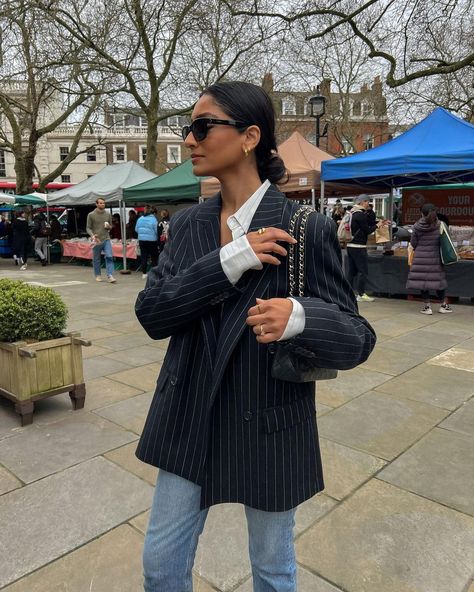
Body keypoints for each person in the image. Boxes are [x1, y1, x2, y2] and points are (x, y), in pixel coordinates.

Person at [134, 80, 376, 592]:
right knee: (161, 564)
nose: (189, 140)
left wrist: (302, 316)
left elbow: (358, 335)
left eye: (203, 127)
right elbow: (152, 314)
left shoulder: (303, 225)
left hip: (267, 420)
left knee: (272, 568)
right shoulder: (191, 224)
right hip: (187, 418)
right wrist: (228, 261)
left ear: (248, 137)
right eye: (188, 128)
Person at [406, 203, 452, 314]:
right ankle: (443, 305)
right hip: (435, 258)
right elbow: (446, 241)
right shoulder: (441, 225)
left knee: (423, 283)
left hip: (420, 258)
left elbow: (413, 243)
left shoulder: (416, 226)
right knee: (438, 282)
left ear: (422, 213)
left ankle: (427, 307)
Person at [346, 194, 388, 302]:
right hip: (359, 246)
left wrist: (379, 222)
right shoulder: (361, 214)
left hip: (350, 245)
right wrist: (378, 225)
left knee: (351, 271)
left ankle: (347, 293)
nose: (368, 204)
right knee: (362, 271)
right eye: (367, 202)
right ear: (363, 202)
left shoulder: (352, 212)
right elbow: (367, 230)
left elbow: (367, 223)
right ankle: (361, 294)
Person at [86, 198, 116, 283]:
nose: (102, 204)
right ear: (96, 204)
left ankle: (110, 275)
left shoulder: (108, 214)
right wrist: (92, 235)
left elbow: (111, 226)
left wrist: (109, 227)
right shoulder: (91, 215)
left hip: (106, 238)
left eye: (103, 203)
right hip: (97, 240)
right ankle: (98, 275)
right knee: (96, 259)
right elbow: (88, 227)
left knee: (109, 256)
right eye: (100, 203)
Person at [135, 205, 159, 279]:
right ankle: (154, 273)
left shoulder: (140, 219)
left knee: (144, 256)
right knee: (154, 257)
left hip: (142, 240)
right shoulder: (154, 219)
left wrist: (141, 234)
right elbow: (156, 230)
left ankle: (144, 273)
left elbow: (136, 229)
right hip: (152, 240)